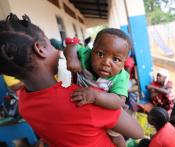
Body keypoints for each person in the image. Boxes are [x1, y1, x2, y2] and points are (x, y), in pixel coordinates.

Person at [0, 13, 144, 147]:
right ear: (41, 49)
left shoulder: (23, 105)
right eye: (50, 44)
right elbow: (138, 132)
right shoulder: (83, 98)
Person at [64, 28, 131, 146]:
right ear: (92, 48)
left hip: (108, 110)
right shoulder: (86, 54)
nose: (106, 62)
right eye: (100, 54)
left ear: (124, 62)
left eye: (115, 59)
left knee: (115, 136)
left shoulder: (121, 77)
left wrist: (95, 96)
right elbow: (71, 47)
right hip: (82, 104)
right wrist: (72, 59)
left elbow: (119, 101)